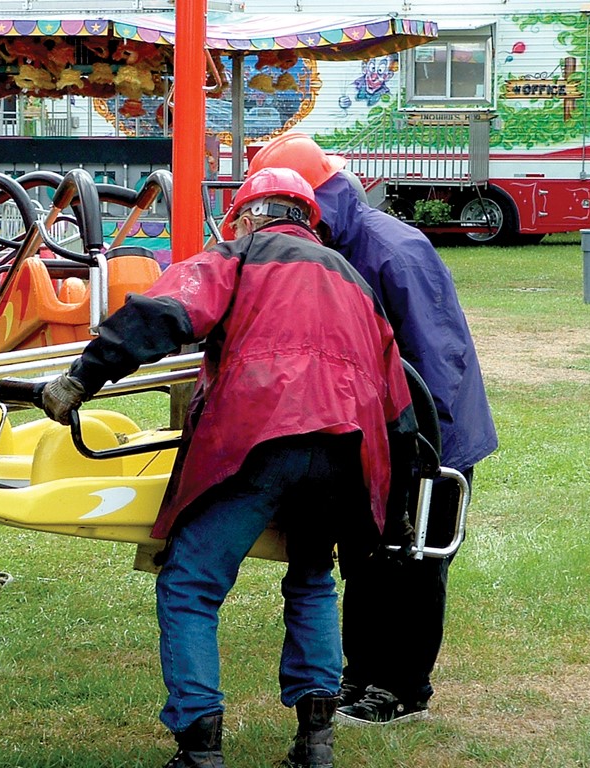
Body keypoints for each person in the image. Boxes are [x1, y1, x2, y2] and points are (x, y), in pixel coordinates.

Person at [38, 168, 419, 768]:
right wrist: (394, 514)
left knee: (192, 583)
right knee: (313, 579)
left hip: (258, 436)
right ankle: (315, 745)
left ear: (245, 216)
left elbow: (165, 313)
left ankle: (199, 746)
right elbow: (401, 413)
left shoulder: (238, 255)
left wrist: (80, 377)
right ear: (309, 221)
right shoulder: (355, 284)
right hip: (344, 451)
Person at [247, 132, 498, 725]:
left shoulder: (393, 249)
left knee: (415, 559)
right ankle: (361, 677)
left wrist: (419, 448)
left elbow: (438, 357)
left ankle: (404, 689)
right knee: (365, 557)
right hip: (374, 434)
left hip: (428, 435)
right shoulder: (325, 248)